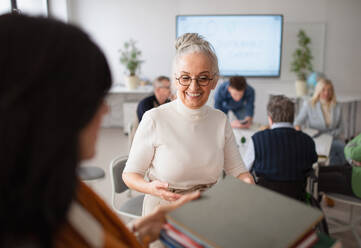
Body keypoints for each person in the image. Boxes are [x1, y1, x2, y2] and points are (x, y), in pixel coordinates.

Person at [0, 14, 199, 248]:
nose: (104, 110)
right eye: (95, 99)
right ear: (49, 110)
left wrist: (144, 230)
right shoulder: (25, 235)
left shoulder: (57, 191)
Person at [123, 33, 255, 217]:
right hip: (163, 211)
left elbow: (238, 171)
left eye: (203, 78)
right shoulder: (154, 118)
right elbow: (130, 175)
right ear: (176, 80)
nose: (193, 87)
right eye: (185, 78)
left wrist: (249, 184)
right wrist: (150, 188)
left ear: (214, 81)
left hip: (208, 211)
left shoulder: (219, 120)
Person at [243, 95, 318, 200]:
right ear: (293, 117)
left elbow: (244, 170)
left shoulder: (257, 139)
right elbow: (313, 162)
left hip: (263, 200)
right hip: (297, 202)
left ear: (270, 118)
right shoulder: (307, 141)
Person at [294, 78, 346, 165]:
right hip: (316, 139)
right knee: (336, 150)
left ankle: (333, 174)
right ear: (318, 91)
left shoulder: (338, 106)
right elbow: (297, 123)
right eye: (323, 90)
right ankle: (331, 174)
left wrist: (329, 135)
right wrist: (300, 136)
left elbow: (341, 128)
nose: (326, 93)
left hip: (333, 138)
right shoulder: (309, 104)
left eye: (329, 90)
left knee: (342, 149)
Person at [318, 133, 361, 199]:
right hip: (354, 170)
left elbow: (353, 154)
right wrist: (351, 159)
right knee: (319, 170)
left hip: (356, 184)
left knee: (315, 179)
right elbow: (349, 147)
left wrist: (349, 148)